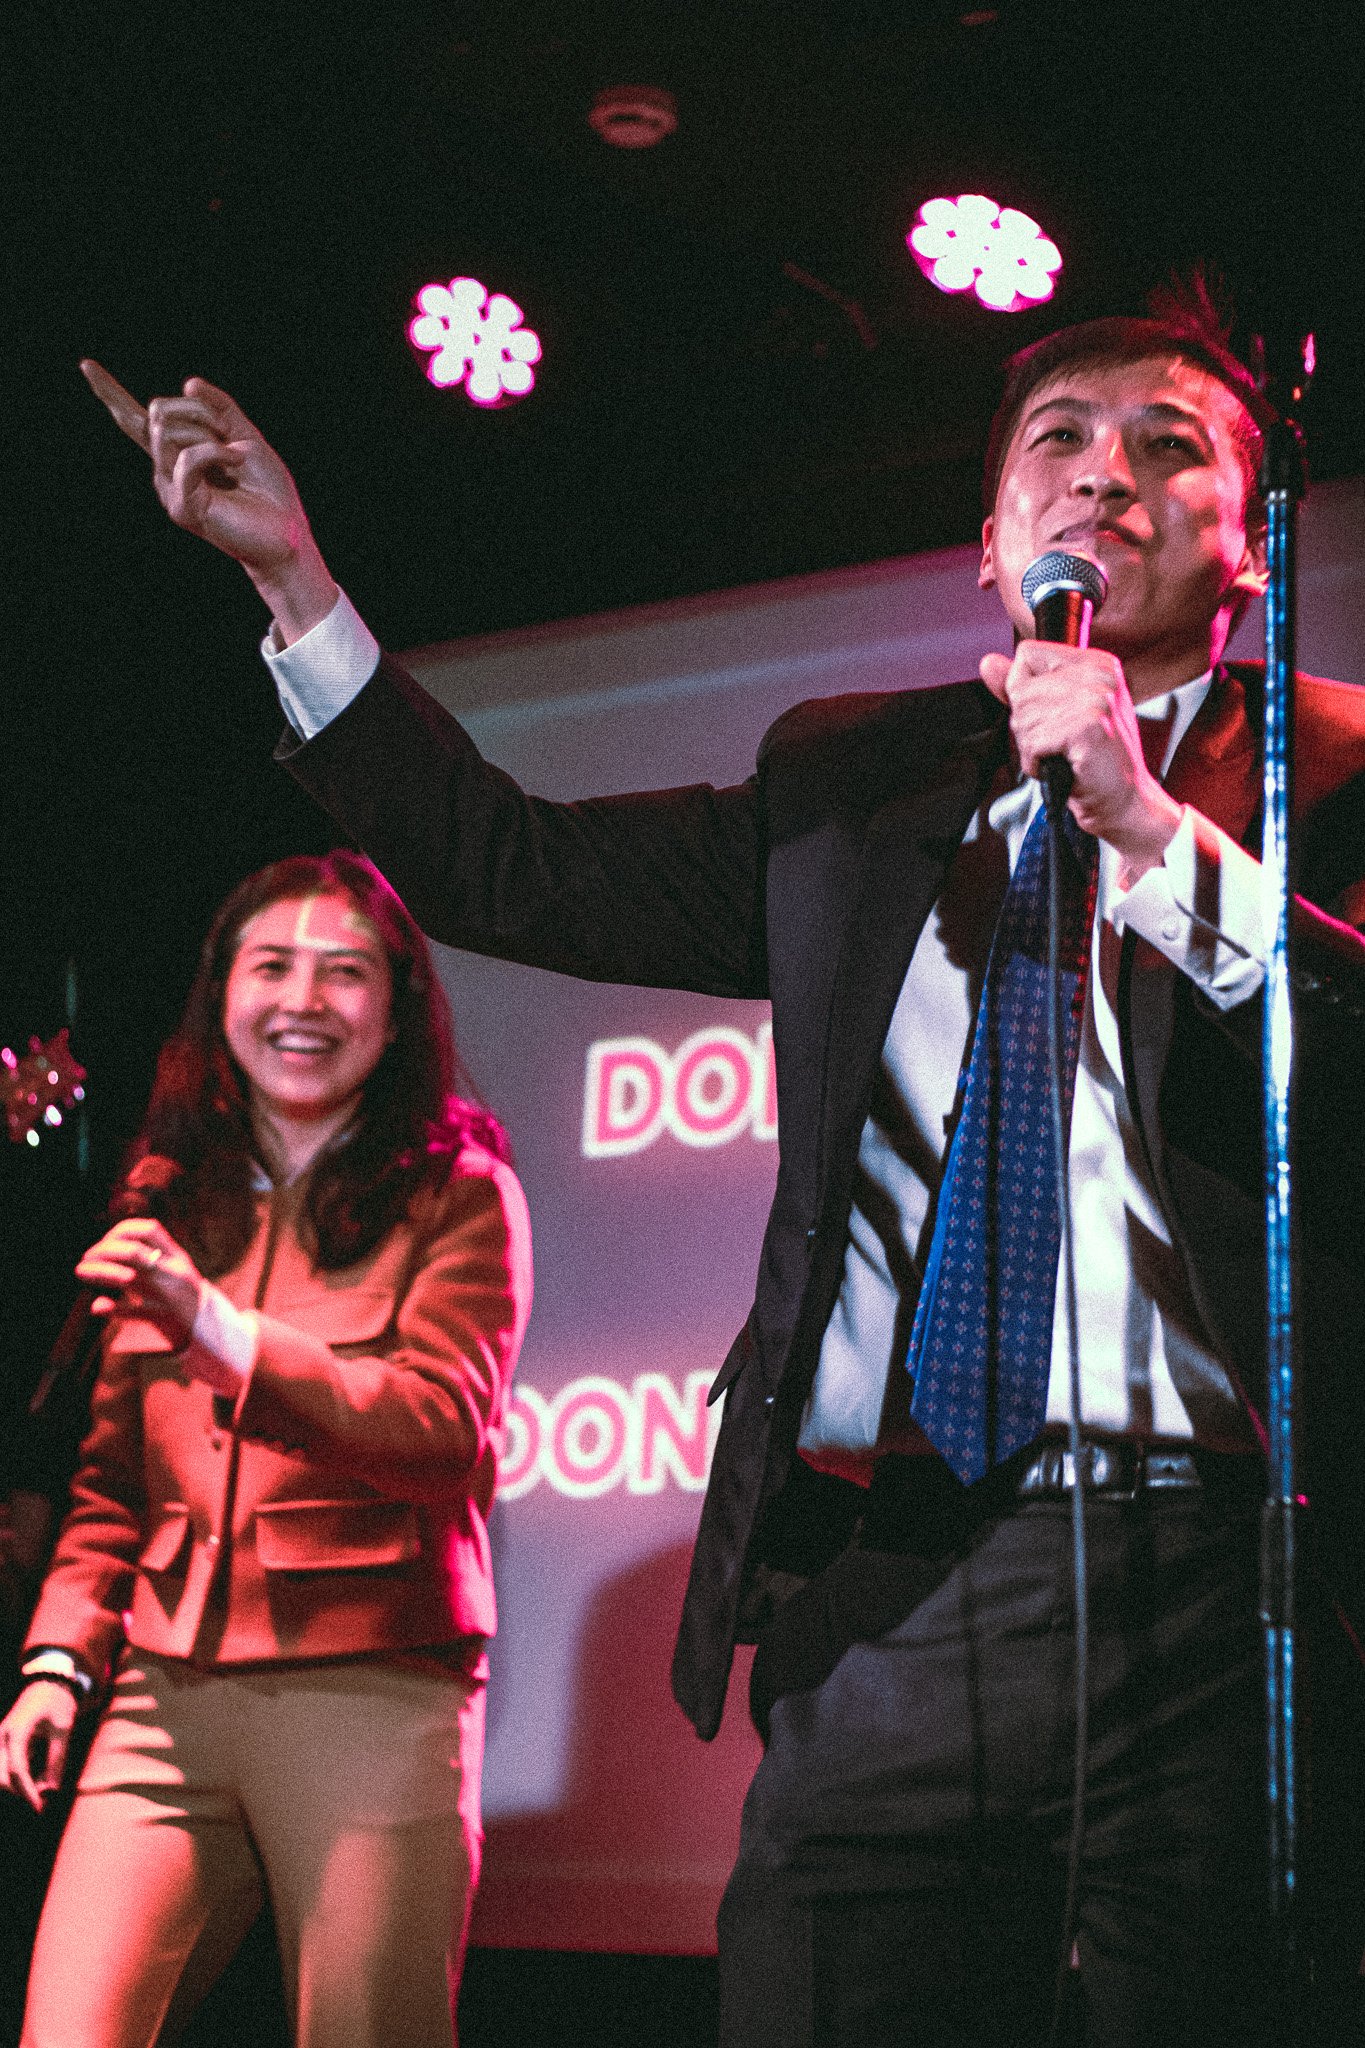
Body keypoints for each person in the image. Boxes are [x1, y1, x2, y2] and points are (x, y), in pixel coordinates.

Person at [80, 296, 1365, 2045]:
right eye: (1058, 440)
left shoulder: (1333, 767)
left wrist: (1147, 827)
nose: (1104, 476)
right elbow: (509, 863)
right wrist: (294, 581)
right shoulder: (854, 778)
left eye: (1168, 445)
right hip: (891, 1574)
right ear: (991, 544)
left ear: (1251, 546)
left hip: (1220, 1591)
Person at [0, 851, 533, 2048]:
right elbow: (113, 1484)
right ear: (221, 994)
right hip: (161, 1691)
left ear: (395, 1007)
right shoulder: (170, 1197)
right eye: (272, 966)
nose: (303, 999)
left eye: (345, 972)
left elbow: (441, 1427)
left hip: (374, 1683)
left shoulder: (461, 1193)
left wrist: (225, 1333)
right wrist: (59, 1658)